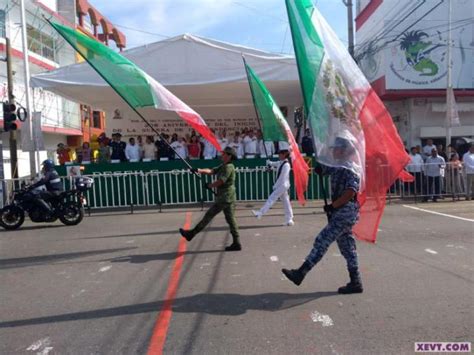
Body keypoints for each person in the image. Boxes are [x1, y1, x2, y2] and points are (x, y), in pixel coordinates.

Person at [281, 137, 363, 294]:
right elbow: (324, 170)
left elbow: (350, 191)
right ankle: (356, 281)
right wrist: (318, 163)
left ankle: (301, 273)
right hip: (342, 211)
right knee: (347, 247)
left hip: (346, 211)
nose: (333, 151)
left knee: (322, 240)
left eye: (336, 148)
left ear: (344, 150)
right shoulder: (338, 165)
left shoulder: (351, 168)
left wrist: (333, 206)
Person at [179, 146, 242, 251]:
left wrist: (210, 186)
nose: (222, 155)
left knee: (208, 216)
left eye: (224, 154)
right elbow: (211, 171)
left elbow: (221, 181)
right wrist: (198, 170)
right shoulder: (224, 165)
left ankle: (191, 234)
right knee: (231, 220)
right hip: (228, 197)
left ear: (229, 156)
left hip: (224, 198)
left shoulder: (228, 167)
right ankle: (237, 242)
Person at [252, 149, 294, 226]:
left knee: (272, 198)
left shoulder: (286, 165)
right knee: (286, 202)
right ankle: (289, 219)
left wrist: (276, 186)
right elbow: (274, 163)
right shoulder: (280, 163)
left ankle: (260, 213)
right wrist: (269, 162)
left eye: (280, 154)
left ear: (284, 154)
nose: (279, 155)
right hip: (281, 185)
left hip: (283, 185)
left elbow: (282, 177)